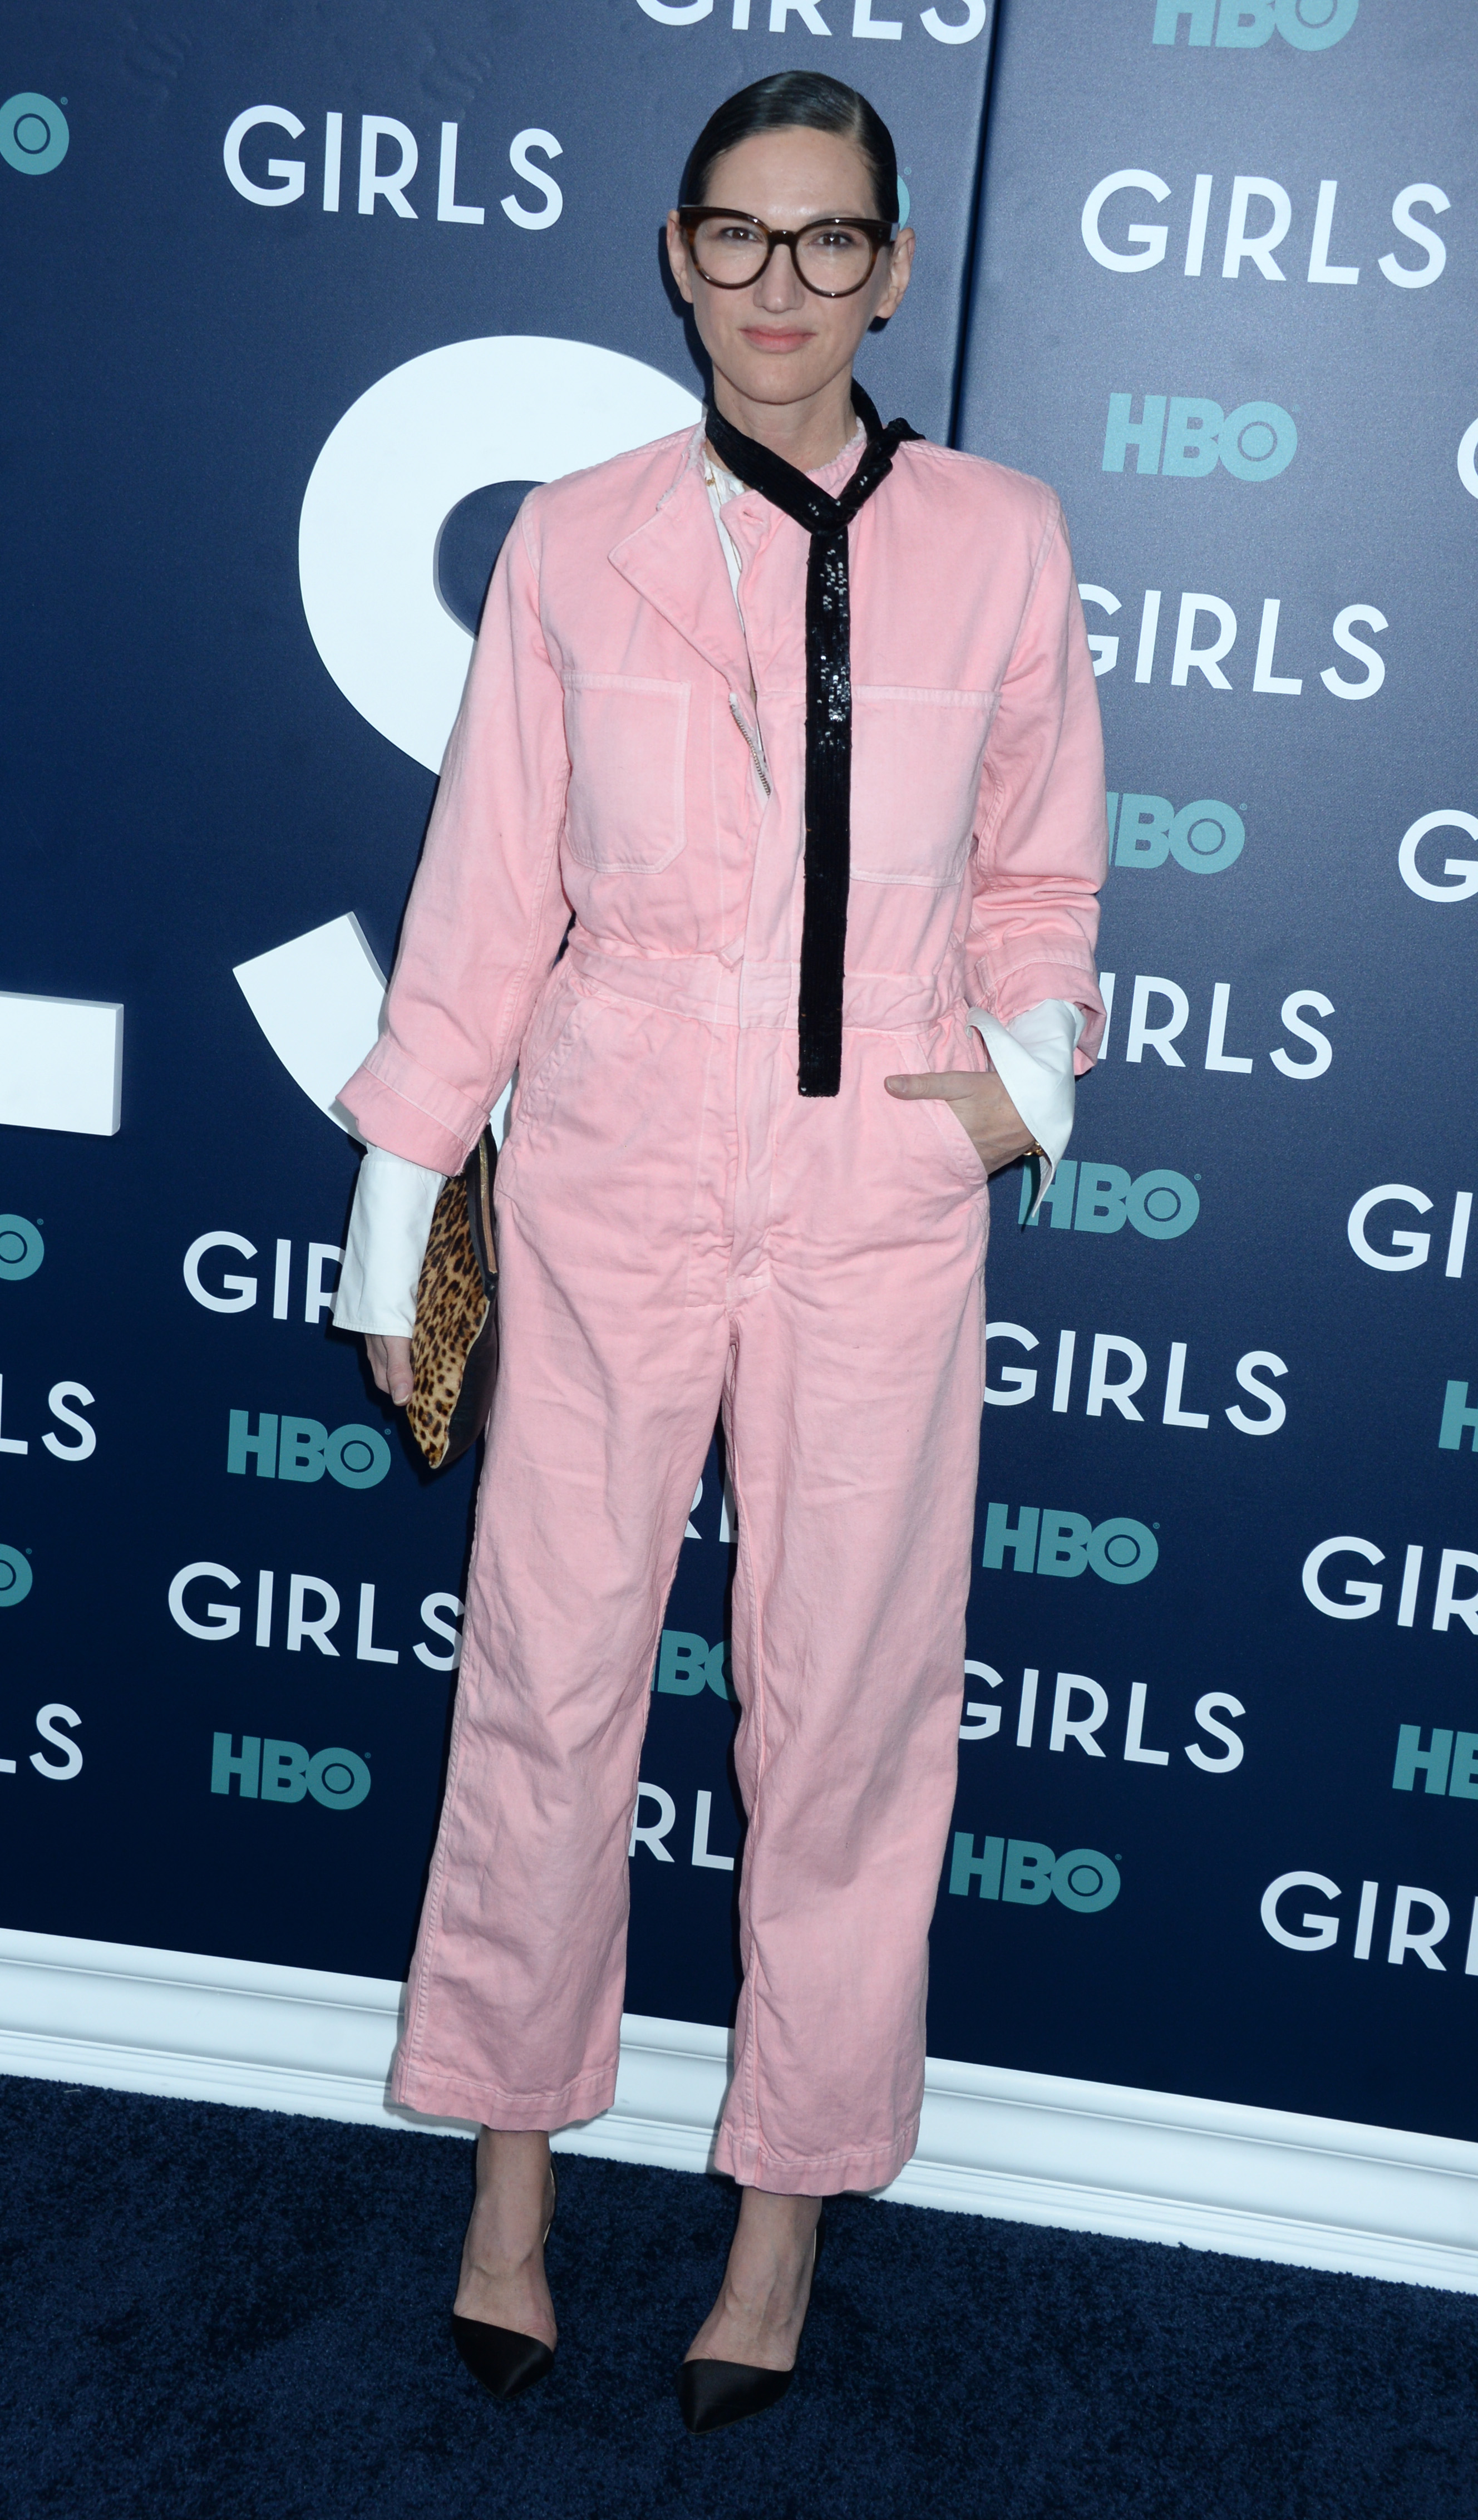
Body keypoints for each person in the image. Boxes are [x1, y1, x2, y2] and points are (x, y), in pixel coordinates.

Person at [332, 69, 1107, 2433]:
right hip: (611, 1154)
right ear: (678, 257)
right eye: (739, 237)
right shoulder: (573, 540)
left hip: (877, 1178)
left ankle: (784, 2205)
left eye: (828, 239)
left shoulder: (1001, 537)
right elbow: (490, 880)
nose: (782, 284)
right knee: (548, 1678)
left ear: (891, 267)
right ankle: (509, 2180)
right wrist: (404, 1174)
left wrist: (1025, 1072)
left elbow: (1040, 861)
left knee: (847, 1710)